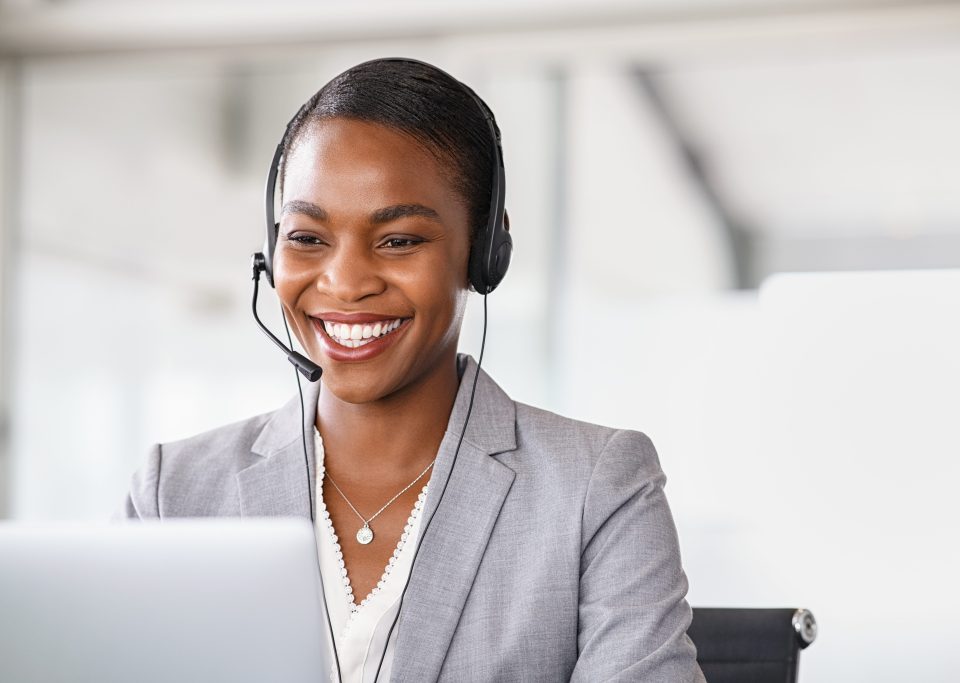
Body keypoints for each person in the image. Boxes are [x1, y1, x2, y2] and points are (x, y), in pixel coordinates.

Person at [121, 58, 705, 683]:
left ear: (484, 255)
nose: (345, 283)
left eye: (398, 240)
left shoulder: (596, 489)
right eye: (307, 238)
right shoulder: (174, 493)